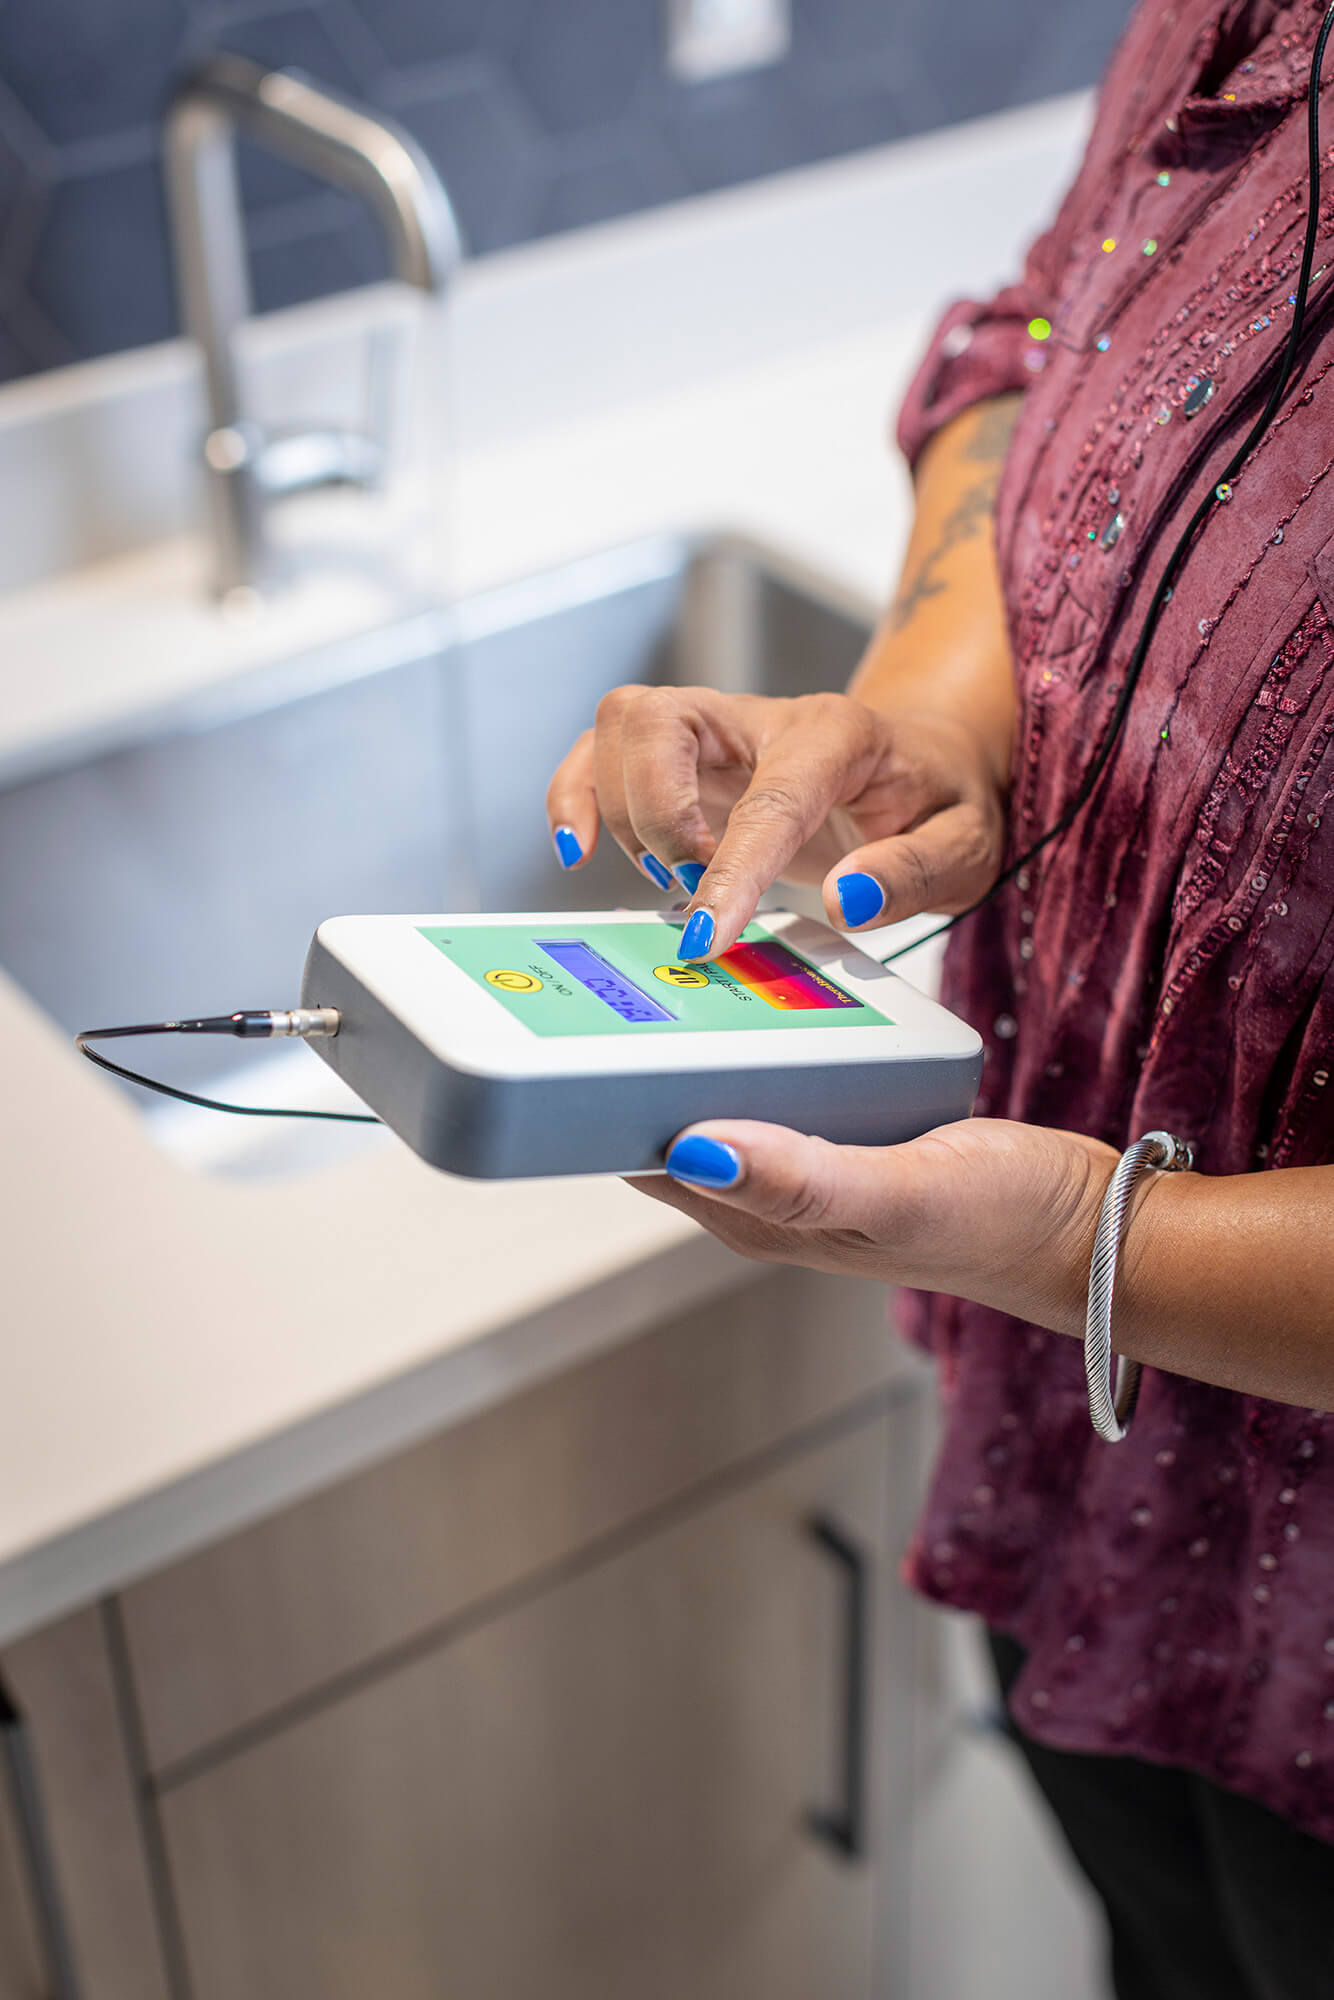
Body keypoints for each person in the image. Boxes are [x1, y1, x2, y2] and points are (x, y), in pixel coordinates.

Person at [547, 2, 1334, 1992]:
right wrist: (932, 717)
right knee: (1154, 1941)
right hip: (1099, 1450)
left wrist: (1076, 1229)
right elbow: (1046, 346)